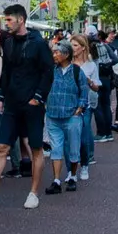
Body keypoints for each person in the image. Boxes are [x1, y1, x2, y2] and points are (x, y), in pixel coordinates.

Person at [0, 5, 53, 211]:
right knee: (1, 147)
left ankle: (33, 193)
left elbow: (47, 72)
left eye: (9, 20)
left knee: (35, 148)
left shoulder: (39, 43)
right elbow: (7, 71)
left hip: (32, 104)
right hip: (12, 103)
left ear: (21, 20)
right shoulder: (7, 43)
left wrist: (38, 97)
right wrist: (2, 97)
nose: (6, 24)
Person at [42, 39, 88, 194]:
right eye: (53, 52)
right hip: (53, 115)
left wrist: (80, 107)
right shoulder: (50, 70)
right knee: (56, 149)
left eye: (57, 52)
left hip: (71, 116)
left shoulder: (76, 71)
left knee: (74, 148)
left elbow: (84, 90)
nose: (54, 55)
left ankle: (72, 176)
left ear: (66, 54)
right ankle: (56, 180)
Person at [71, 34, 102, 179]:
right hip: (68, 105)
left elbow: (97, 87)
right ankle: (72, 170)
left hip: (85, 105)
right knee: (69, 138)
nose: (72, 48)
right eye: (71, 45)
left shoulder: (91, 65)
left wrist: (89, 81)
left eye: (75, 45)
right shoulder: (66, 63)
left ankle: (85, 163)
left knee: (84, 136)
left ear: (83, 48)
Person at [94, 31, 118, 136]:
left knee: (98, 106)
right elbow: (116, 59)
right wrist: (107, 64)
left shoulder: (90, 47)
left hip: (95, 79)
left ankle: (101, 133)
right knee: (106, 105)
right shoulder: (105, 46)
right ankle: (108, 132)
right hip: (106, 78)